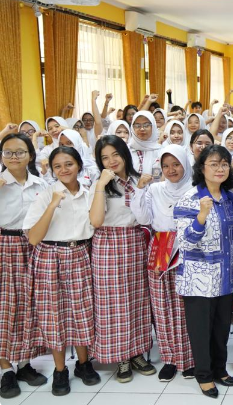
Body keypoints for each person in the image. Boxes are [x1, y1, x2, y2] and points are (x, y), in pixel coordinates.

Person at [23, 147, 101, 396]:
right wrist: (53, 204)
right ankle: (60, 370)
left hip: (79, 254)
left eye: (69, 164)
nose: (64, 170)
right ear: (52, 170)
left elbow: (95, 223)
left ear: (79, 165)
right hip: (49, 255)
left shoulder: (89, 194)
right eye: (57, 166)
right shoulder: (46, 194)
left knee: (82, 311)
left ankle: (83, 363)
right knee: (53, 315)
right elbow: (34, 237)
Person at [174, 145, 233, 398]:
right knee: (201, 329)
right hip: (198, 278)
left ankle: (219, 369)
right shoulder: (189, 199)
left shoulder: (230, 198)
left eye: (224, 163)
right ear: (202, 168)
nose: (220, 168)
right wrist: (201, 216)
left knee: (222, 327)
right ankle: (203, 375)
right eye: (214, 163)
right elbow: (185, 242)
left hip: (226, 275)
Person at [89, 136, 155, 382]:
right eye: (104, 157)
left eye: (115, 154)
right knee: (113, 305)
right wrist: (100, 185)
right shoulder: (100, 184)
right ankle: (121, 357)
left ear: (125, 153)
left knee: (138, 301)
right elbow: (95, 221)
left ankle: (137, 351)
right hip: (107, 245)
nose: (111, 160)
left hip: (136, 244)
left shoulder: (140, 180)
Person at [131, 144, 195, 382]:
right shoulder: (156, 189)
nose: (171, 170)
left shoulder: (196, 188)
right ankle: (169, 358)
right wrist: (139, 191)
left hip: (188, 247)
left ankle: (188, 358)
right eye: (166, 165)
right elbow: (144, 218)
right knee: (162, 306)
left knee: (185, 307)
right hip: (161, 245)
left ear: (185, 164)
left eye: (176, 164)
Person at [0, 134, 48, 400]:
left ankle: (23, 364)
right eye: (8, 153)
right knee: (6, 308)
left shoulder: (41, 184)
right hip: (4, 245)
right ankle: (6, 369)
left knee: (30, 306)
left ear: (30, 155)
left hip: (33, 246)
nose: (14, 157)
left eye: (19, 152)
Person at [128, 111, 162, 177]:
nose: (142, 129)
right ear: (133, 128)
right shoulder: (127, 150)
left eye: (146, 125)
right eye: (137, 125)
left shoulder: (160, 150)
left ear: (153, 126)